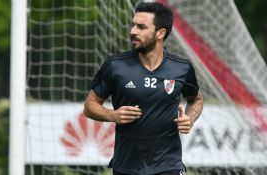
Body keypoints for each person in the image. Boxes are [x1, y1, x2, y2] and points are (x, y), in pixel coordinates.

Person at [83, 2, 203, 175]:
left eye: (141, 27)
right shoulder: (115, 66)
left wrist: (190, 118)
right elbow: (90, 105)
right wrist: (112, 115)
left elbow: (196, 99)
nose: (133, 31)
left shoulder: (181, 68)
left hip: (168, 165)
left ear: (161, 33)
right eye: (133, 25)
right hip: (126, 166)